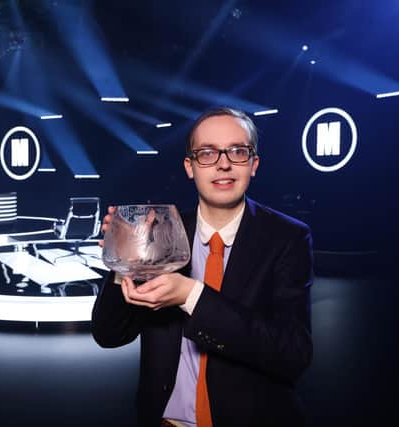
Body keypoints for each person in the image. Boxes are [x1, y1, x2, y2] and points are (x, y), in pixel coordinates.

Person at [91, 107, 314, 426]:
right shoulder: (161, 230)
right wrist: (124, 260)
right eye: (207, 152)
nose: (223, 163)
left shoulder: (287, 238)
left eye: (238, 151)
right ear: (190, 167)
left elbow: (292, 355)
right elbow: (108, 335)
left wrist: (191, 295)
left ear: (254, 164)